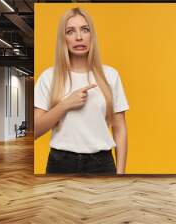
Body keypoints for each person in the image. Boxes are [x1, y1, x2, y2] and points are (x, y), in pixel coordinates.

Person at [34, 7, 129, 175]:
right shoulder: (49, 77)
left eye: (85, 30)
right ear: (63, 38)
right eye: (70, 31)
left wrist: (120, 174)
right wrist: (64, 105)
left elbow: (120, 128)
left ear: (91, 35)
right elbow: (35, 130)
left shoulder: (110, 75)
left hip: (102, 165)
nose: (79, 37)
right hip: (60, 165)